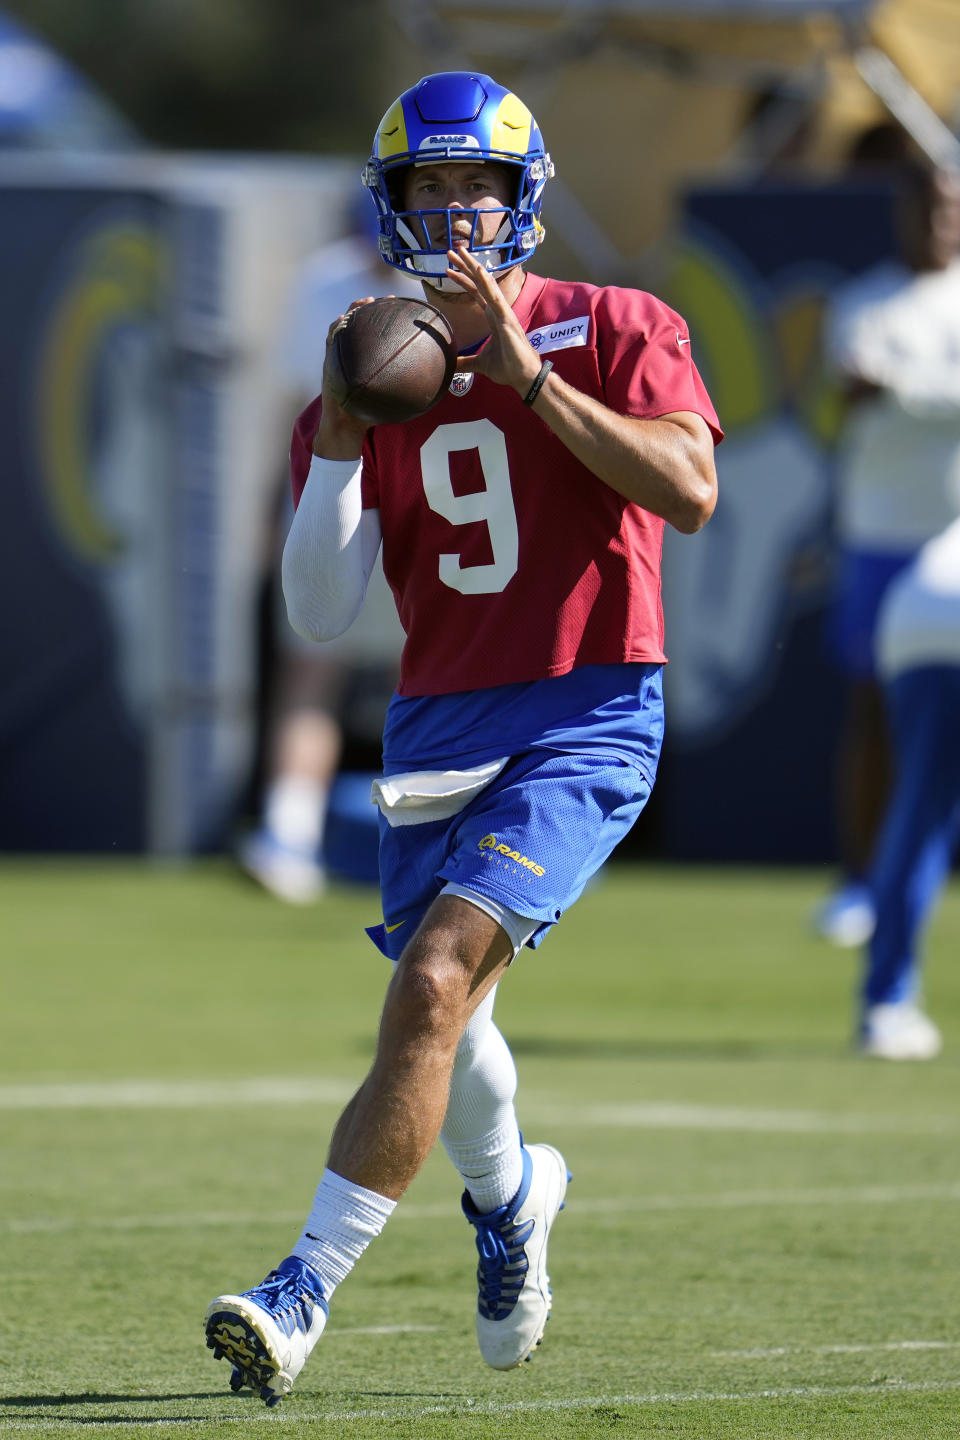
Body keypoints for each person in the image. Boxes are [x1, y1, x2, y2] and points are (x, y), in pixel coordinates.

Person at [205, 70, 721, 1406]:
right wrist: (333, 437)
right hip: (437, 716)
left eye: (474, 188)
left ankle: (300, 1287)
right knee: (457, 1016)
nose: (452, 214)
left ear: (521, 202)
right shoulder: (377, 352)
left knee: (434, 984)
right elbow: (318, 611)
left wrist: (532, 378)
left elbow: (690, 490)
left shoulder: (616, 323)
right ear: (391, 204)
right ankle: (511, 1202)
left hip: (586, 704)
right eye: (426, 188)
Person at [239, 203, 419, 902]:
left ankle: (451, 837)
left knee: (436, 672)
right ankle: (290, 834)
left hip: (417, 503)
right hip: (336, 492)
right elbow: (294, 407)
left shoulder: (442, 292)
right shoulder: (324, 283)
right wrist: (270, 505)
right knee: (312, 671)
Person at [814, 159, 960, 946]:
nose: (940, 224)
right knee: (871, 712)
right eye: (927, 208)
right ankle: (860, 886)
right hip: (879, 540)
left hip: (958, 547)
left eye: (951, 209)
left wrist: (903, 391)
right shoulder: (861, 300)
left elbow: (894, 395)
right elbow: (850, 393)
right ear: (902, 213)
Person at [858, 514, 960, 1059]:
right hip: (939, 613)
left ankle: (887, 1003)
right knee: (925, 812)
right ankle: (890, 1003)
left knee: (920, 810)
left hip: (915, 616)